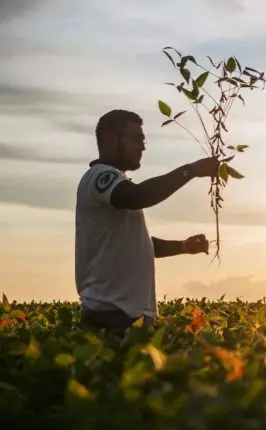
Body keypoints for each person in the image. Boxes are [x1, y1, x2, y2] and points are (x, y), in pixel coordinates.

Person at [75, 109, 219, 335]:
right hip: (111, 317)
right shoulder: (100, 177)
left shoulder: (117, 184)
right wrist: (191, 170)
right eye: (136, 139)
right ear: (110, 139)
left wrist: (182, 246)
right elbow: (138, 196)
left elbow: (137, 245)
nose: (143, 146)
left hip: (125, 317)